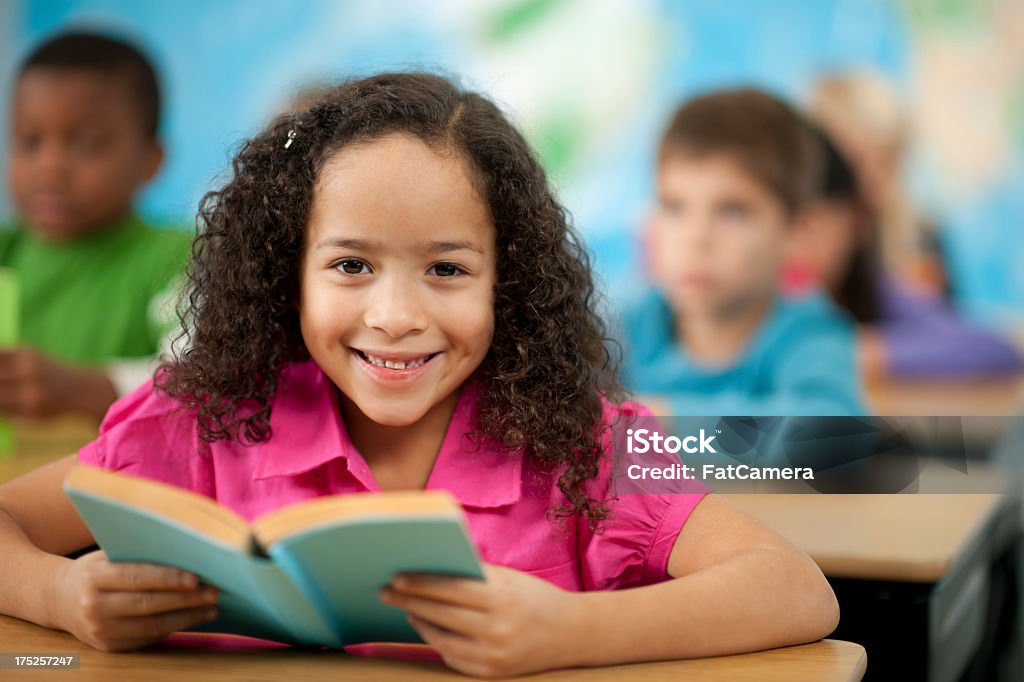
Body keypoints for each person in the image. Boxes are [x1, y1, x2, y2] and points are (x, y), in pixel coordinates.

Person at [0, 73, 838, 677]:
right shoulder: (211, 418)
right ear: (284, 273)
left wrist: (573, 632)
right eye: (351, 265)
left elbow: (795, 590)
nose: (396, 315)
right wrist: (61, 594)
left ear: (505, 283)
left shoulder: (580, 444)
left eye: (446, 270)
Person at [620, 88, 864, 417]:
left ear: (796, 231)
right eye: (674, 207)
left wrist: (663, 424)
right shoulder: (621, 328)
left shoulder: (809, 336)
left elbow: (828, 432)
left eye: (732, 211)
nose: (697, 237)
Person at [0, 31, 192, 421]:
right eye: (30, 141)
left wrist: (85, 390)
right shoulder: (7, 249)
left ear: (150, 160)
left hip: (106, 480)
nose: (50, 167)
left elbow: (208, 373)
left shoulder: (178, 257)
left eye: (87, 143)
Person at [789, 125, 1023, 379]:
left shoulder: (870, 291)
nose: (793, 245)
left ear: (856, 223)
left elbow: (993, 349)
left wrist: (851, 350)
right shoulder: (758, 302)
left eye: (810, 224)